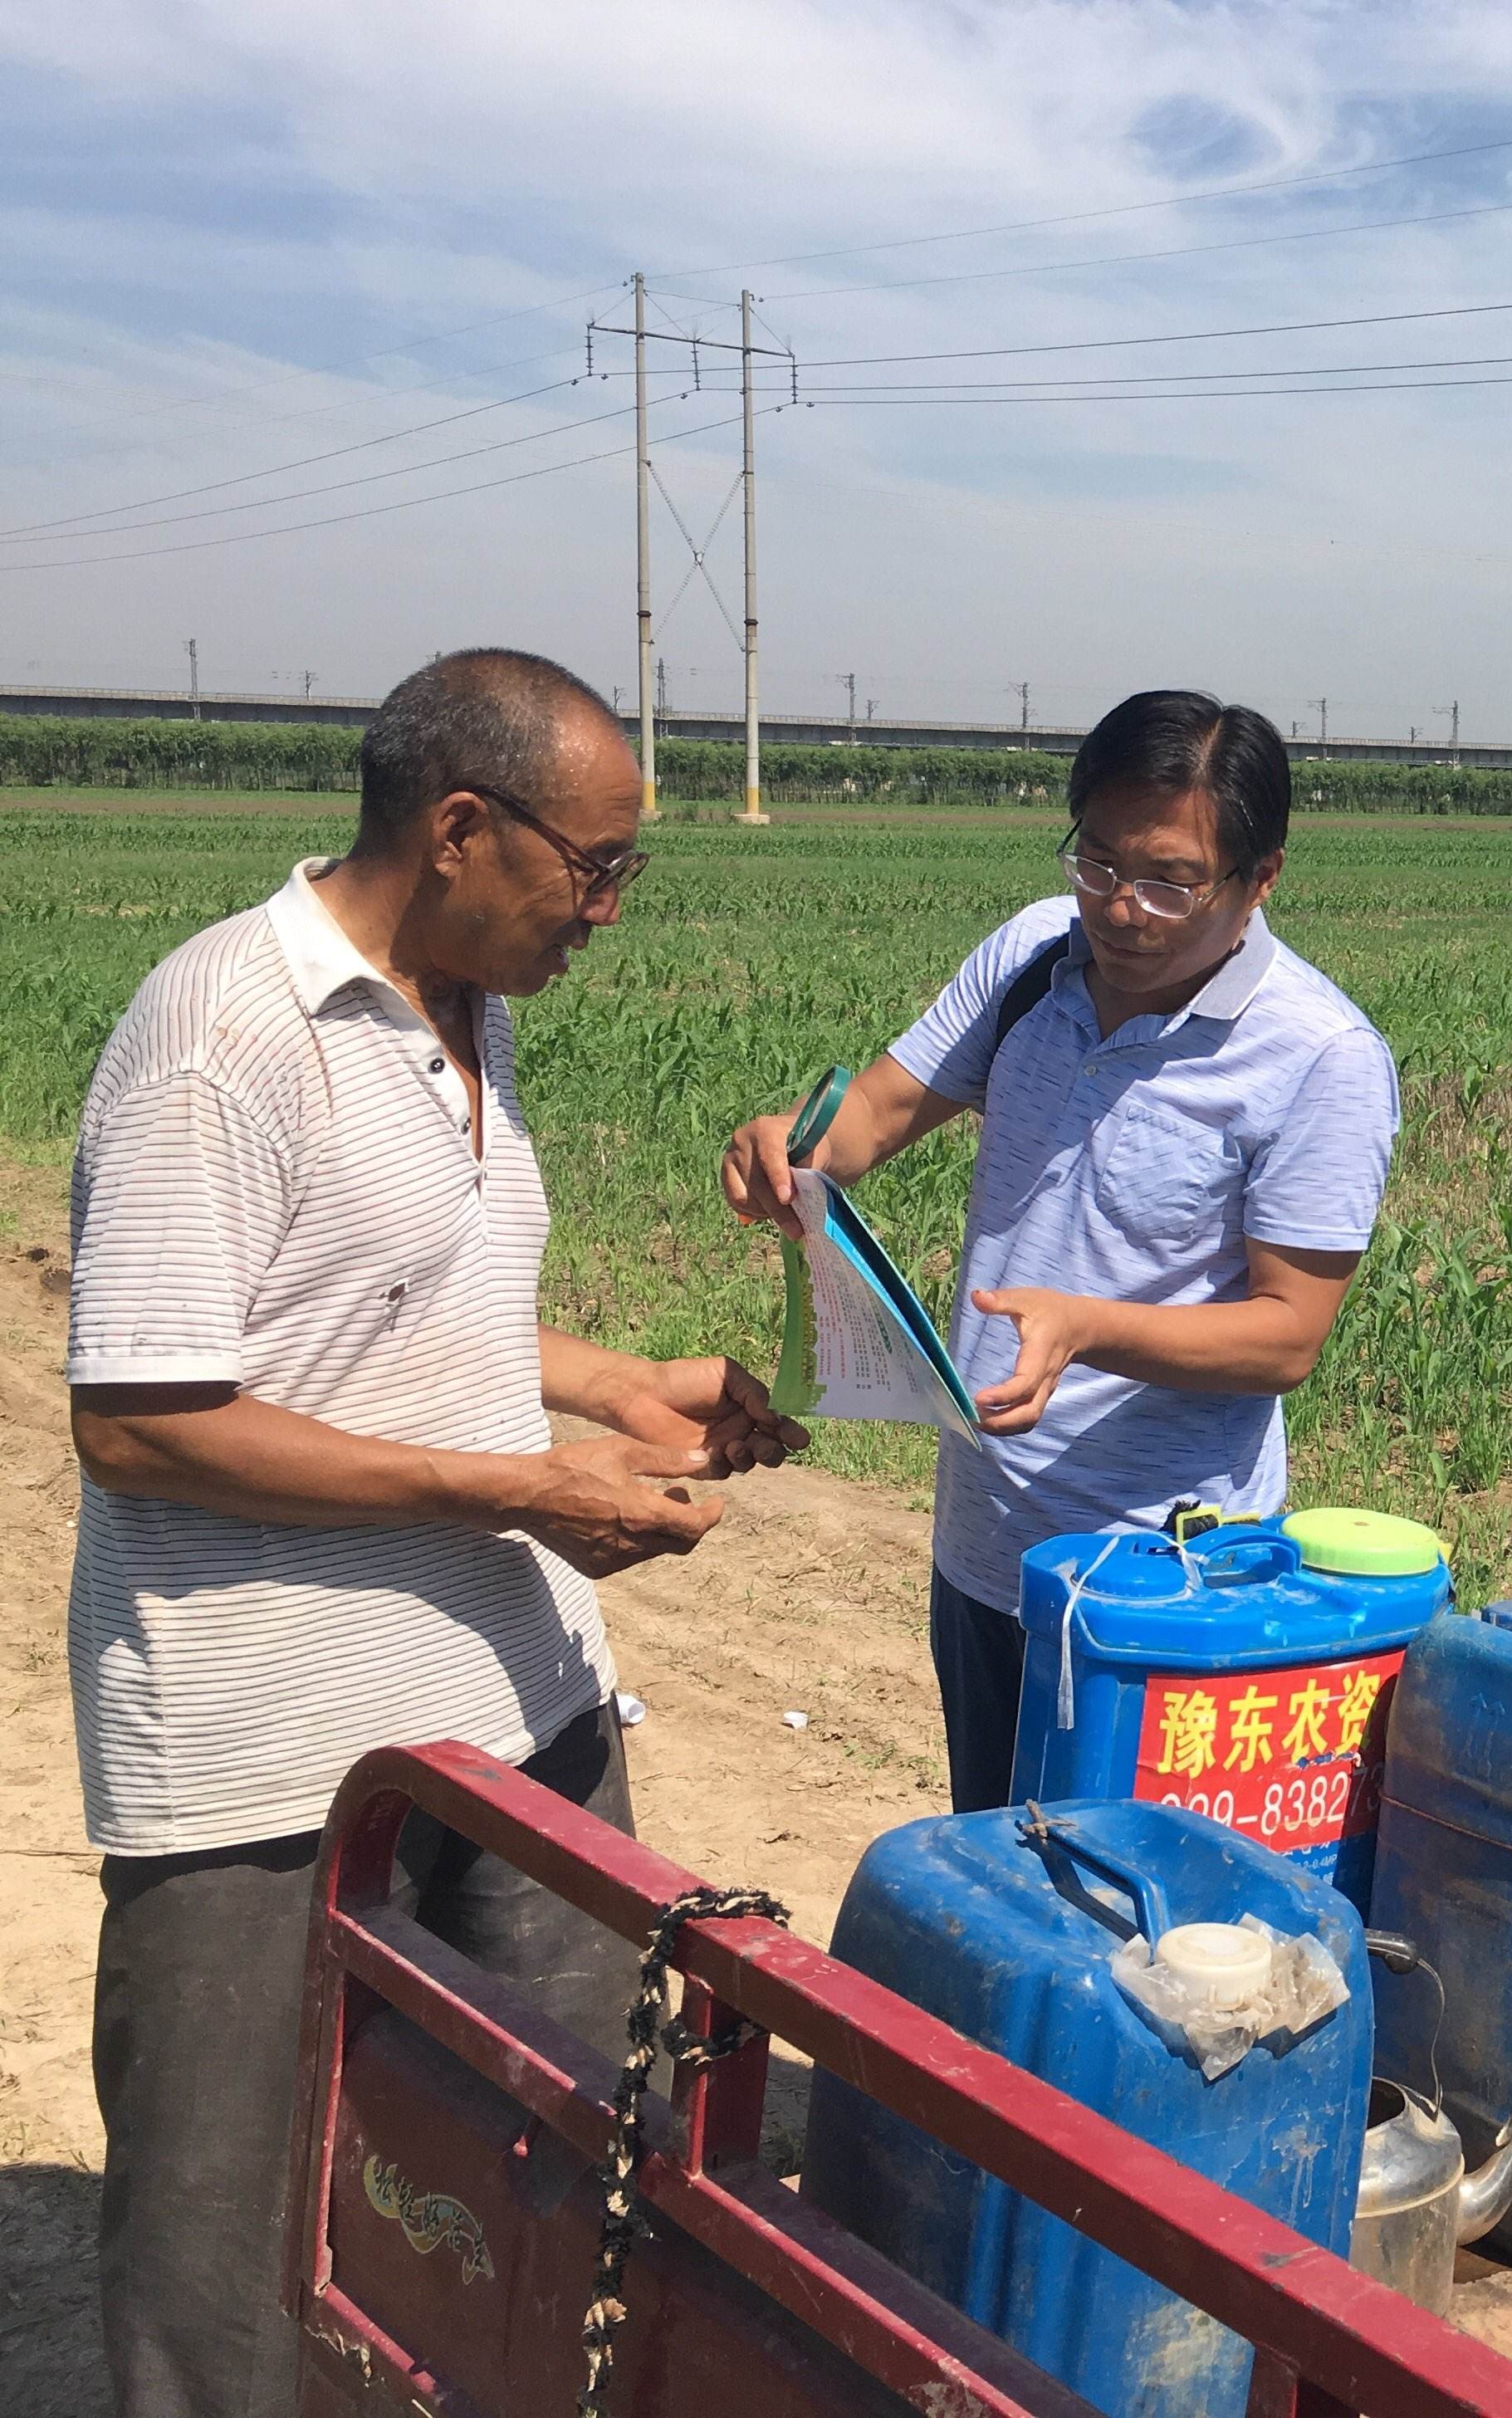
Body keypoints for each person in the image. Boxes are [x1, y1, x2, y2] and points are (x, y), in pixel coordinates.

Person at [67, 648, 803, 2416]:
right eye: (598, 867)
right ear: (462, 828)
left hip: (509, 1701)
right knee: (227, 2258)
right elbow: (147, 1415)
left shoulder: (472, 999)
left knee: (544, 2148)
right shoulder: (224, 1036)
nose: (610, 913)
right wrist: (513, 1486)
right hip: (273, 1764)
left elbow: (394, 1305)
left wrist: (614, 1385)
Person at [722, 691, 1398, 1813]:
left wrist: (1088, 1330)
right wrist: (787, 1153)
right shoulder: (1036, 954)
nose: (1122, 910)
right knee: (993, 1865)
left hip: (1166, 1580)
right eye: (1097, 862)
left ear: (1261, 878)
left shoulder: (1319, 1059)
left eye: (1171, 882)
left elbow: (1286, 1336)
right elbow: (875, 1115)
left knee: (1140, 1912)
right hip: (988, 1540)